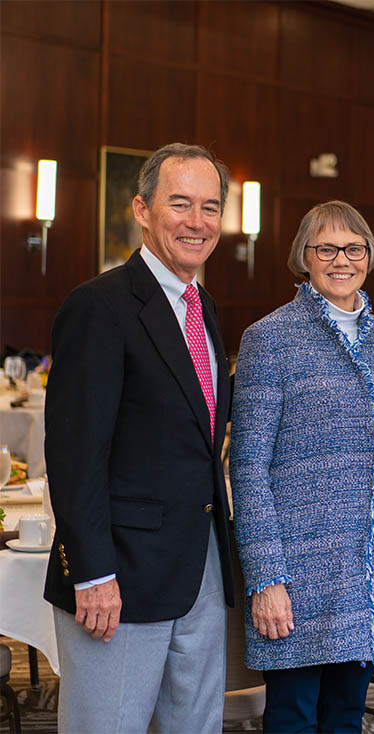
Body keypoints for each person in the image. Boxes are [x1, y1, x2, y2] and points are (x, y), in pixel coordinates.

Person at [44, 142, 234, 732]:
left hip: (200, 566)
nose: (197, 221)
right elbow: (75, 455)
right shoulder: (99, 306)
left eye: (210, 206)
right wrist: (93, 573)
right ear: (142, 210)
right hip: (118, 577)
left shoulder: (203, 311)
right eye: (180, 204)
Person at [230, 200, 374, 733]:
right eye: (326, 248)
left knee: (346, 717)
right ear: (305, 257)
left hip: (369, 571)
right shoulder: (268, 338)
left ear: (369, 256)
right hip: (296, 577)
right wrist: (266, 578)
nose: (341, 259)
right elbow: (247, 468)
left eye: (354, 248)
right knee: (293, 716)